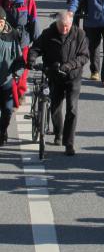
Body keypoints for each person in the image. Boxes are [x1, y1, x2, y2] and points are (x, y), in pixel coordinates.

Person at [27, 11, 89, 156]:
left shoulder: (79, 34)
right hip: (54, 75)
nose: (64, 29)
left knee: (72, 109)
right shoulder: (48, 33)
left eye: (67, 26)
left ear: (71, 23)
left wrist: (69, 65)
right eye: (62, 26)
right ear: (56, 23)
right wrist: (31, 58)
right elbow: (36, 48)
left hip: (73, 76)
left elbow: (84, 56)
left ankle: (69, 143)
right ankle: (58, 133)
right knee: (55, 107)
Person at [0, 0, 37, 106]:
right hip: (6, 39)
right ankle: (12, 101)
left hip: (23, 40)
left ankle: (19, 94)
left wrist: (37, 42)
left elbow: (33, 19)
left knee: (21, 73)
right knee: (8, 71)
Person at [0, 8, 22, 145]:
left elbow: (18, 58)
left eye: (1, 21)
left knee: (7, 111)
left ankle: (2, 130)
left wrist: (16, 73)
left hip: (6, 81)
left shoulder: (12, 35)